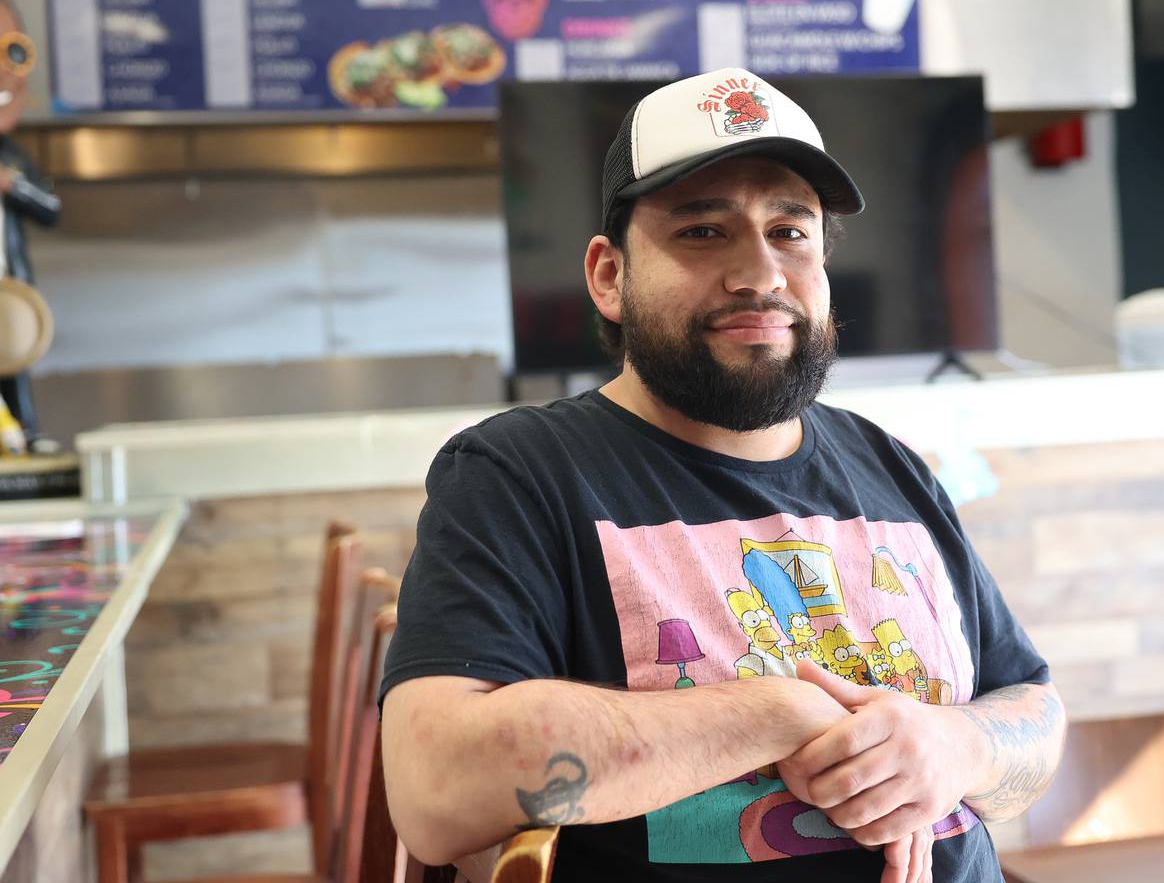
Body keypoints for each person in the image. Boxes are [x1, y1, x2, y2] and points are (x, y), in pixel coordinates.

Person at [380, 68, 1065, 883]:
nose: (761, 274)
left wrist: (957, 745)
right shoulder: (519, 472)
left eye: (790, 231)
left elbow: (1035, 712)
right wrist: (777, 712)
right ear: (608, 275)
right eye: (704, 232)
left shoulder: (890, 466)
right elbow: (432, 793)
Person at [0, 0, 61, 446]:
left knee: (14, 360)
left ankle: (26, 432)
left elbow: (50, 207)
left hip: (14, 293)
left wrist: (11, 185)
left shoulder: (13, 160)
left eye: (11, 51)